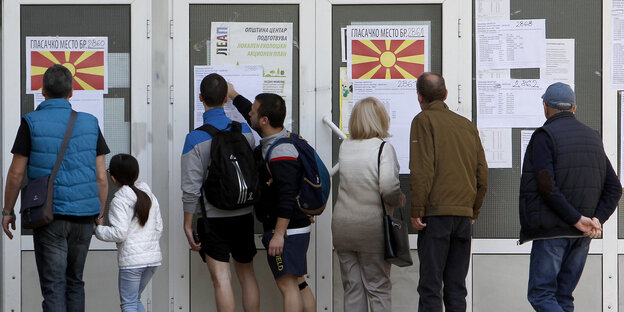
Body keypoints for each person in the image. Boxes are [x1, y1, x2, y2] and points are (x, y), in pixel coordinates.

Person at [1, 64, 109, 311]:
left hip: (49, 216)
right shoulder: (91, 123)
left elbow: (16, 173)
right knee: (75, 282)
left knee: (53, 286)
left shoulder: (31, 122)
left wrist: (8, 211)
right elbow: (102, 177)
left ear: (43, 91)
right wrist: (99, 214)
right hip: (84, 217)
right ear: (71, 92)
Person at [519, 82, 622, 311]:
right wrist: (595, 220)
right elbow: (615, 188)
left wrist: (576, 219)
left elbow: (546, 186)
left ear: (545, 107)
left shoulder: (545, 136)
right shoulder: (593, 138)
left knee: (542, 295)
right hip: (582, 234)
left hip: (553, 232)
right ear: (574, 108)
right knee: (563, 296)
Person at [228, 84, 316, 312]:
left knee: (287, 285)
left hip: (286, 229)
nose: (250, 114)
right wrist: (234, 94)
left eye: (254, 112)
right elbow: (251, 112)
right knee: (299, 281)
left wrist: (278, 235)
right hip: (295, 226)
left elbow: (286, 196)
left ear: (265, 120)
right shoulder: (277, 138)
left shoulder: (279, 151)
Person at [181, 73, 260, 312]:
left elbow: (190, 188)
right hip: (244, 213)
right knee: (247, 276)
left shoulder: (194, 139)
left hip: (212, 218)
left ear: (200, 98)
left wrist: (188, 224)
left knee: (222, 280)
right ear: (226, 98)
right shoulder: (245, 131)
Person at [409, 72, 488, 312]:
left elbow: (423, 170)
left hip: (436, 215)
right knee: (456, 287)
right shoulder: (467, 126)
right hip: (463, 216)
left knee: (431, 286)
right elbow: (482, 175)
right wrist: (473, 210)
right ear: (445, 94)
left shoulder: (423, 121)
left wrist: (417, 210)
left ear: (420, 97)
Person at [332, 97, 406, 312]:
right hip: (372, 229)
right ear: (381, 119)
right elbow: (389, 188)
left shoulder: (345, 146)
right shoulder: (383, 148)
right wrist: (399, 199)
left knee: (352, 288)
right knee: (378, 288)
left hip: (342, 227)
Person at [95, 154, 163, 312]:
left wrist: (99, 229)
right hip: (152, 260)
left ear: (112, 178)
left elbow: (120, 233)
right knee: (134, 300)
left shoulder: (119, 201)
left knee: (129, 304)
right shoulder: (149, 196)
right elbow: (158, 227)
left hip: (132, 263)